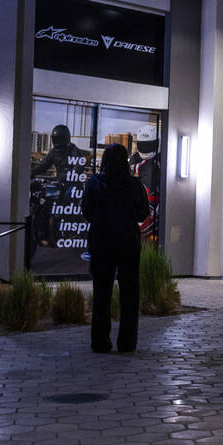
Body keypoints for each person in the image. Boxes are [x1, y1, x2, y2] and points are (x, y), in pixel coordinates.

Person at [82, 143, 150, 354]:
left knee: (101, 294)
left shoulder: (94, 183)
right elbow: (142, 214)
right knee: (130, 294)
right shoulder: (134, 185)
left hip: (102, 242)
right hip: (128, 244)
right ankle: (127, 343)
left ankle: (100, 341)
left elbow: (86, 212)